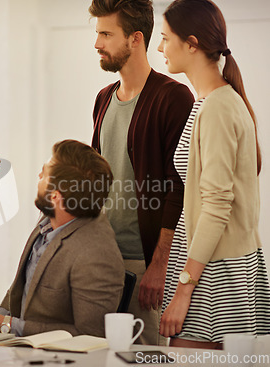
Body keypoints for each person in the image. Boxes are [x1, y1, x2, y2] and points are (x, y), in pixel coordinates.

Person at [158, 0, 270, 349]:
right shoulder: (210, 101)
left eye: (165, 38)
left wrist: (184, 288)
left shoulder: (219, 106)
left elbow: (217, 204)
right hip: (209, 266)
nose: (160, 48)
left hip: (213, 272)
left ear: (191, 43)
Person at [88, 0, 194, 345]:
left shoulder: (174, 98)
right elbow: (95, 177)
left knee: (146, 356)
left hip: (144, 264)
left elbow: (177, 190)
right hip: (102, 260)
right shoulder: (104, 98)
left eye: (106, 33)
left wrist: (159, 266)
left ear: (135, 38)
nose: (97, 43)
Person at [0, 140, 124, 337]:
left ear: (55, 197)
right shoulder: (47, 221)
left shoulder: (96, 254)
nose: (39, 176)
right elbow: (18, 290)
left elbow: (90, 335)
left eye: (44, 174)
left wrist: (4, 324)